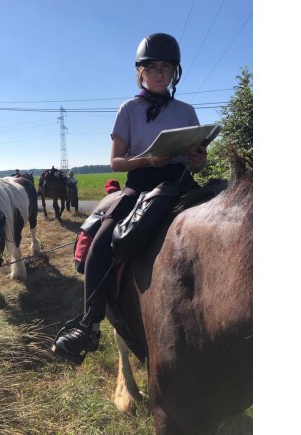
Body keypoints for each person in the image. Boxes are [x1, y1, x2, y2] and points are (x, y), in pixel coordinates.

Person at [52, 33, 208, 362]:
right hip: (140, 184)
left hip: (180, 182)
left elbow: (200, 156)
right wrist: (148, 160)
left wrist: (197, 158)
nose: (159, 72)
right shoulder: (128, 109)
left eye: (166, 67)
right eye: (152, 67)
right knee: (102, 239)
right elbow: (116, 162)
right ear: (141, 71)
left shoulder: (187, 110)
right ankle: (89, 324)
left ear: (174, 72)